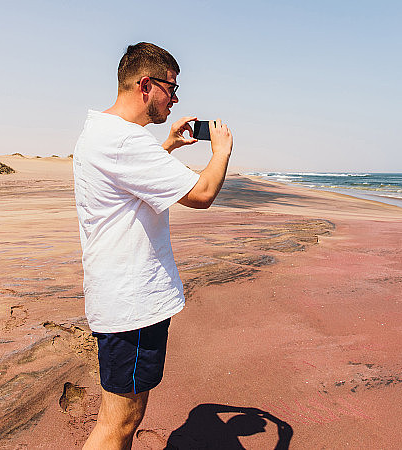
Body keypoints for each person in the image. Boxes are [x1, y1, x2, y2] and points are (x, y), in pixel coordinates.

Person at [73, 42, 233, 450]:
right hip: (132, 302)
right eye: (171, 87)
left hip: (119, 294)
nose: (176, 98)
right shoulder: (125, 142)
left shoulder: (104, 132)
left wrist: (170, 146)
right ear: (146, 84)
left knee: (125, 415)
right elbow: (201, 193)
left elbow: (129, 185)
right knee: (120, 422)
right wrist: (221, 152)